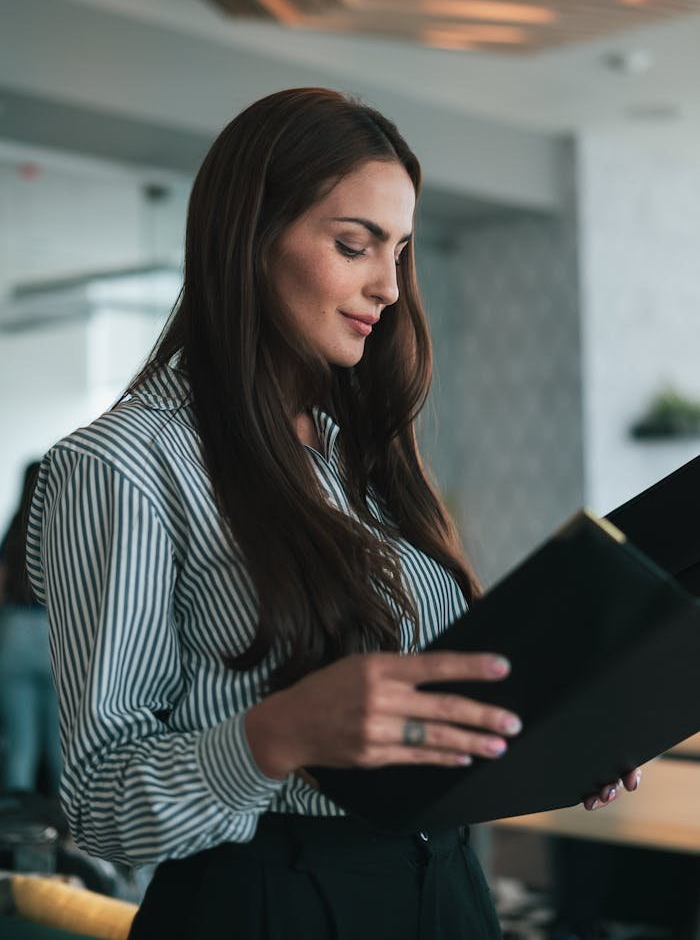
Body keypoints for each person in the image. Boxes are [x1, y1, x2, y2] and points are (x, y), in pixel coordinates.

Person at [25, 89, 639, 939]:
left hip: (446, 888)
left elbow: (408, 718)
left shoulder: (360, 453)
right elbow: (101, 806)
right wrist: (273, 736)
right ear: (249, 237)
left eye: (401, 251)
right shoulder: (122, 465)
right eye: (354, 245)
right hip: (269, 903)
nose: (388, 286)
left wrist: (537, 741)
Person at [0, 460, 61, 793]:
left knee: (20, 745)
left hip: (14, 633)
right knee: (60, 745)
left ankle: (17, 833)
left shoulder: (12, 530)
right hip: (53, 634)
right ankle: (66, 831)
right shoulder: (60, 527)